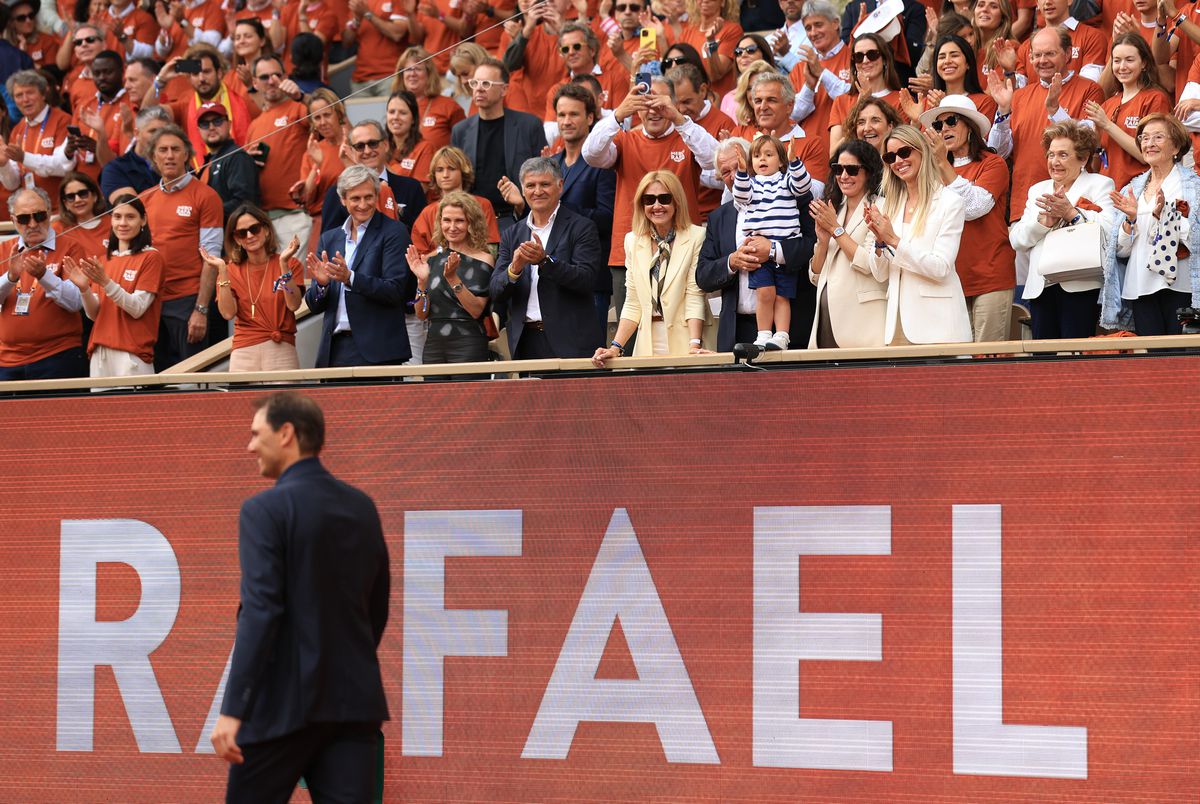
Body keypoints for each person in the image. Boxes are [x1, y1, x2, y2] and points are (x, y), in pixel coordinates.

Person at [211, 391, 390, 804]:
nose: (250, 446)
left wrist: (234, 709)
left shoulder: (264, 510)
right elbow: (376, 607)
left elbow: (260, 611)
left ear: (286, 434)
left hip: (280, 709)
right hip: (352, 705)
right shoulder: (362, 507)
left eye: (257, 434)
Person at [582, 74, 719, 327]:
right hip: (630, 250)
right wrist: (617, 114)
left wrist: (679, 119)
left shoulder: (687, 136)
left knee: (682, 329)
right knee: (631, 331)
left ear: (672, 103)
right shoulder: (625, 140)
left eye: (659, 102)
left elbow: (714, 159)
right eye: (645, 104)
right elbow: (591, 154)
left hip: (682, 249)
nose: (653, 110)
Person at [696, 137, 817, 350]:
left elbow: (812, 247)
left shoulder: (792, 198)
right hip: (737, 331)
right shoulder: (718, 218)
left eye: (738, 167)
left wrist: (773, 250)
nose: (734, 175)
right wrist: (732, 261)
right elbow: (703, 276)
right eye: (726, 172)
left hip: (789, 329)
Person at [920, 94, 1015, 342]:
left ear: (970, 127)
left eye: (951, 121)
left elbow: (974, 207)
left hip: (990, 276)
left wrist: (942, 162)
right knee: (959, 358)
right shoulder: (932, 171)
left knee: (987, 357)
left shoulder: (993, 163)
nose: (944, 129)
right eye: (938, 125)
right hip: (950, 278)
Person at [865, 125, 972, 345]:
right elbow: (880, 274)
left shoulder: (949, 202)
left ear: (922, 151)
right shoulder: (888, 206)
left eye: (904, 152)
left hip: (939, 326)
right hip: (896, 325)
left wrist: (894, 240)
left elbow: (940, 268)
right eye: (890, 157)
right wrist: (880, 242)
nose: (898, 161)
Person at [988, 26, 1106, 222]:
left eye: (1050, 53)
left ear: (1068, 54)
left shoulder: (1090, 89)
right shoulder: (1020, 95)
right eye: (1037, 55)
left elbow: (1088, 140)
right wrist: (1003, 111)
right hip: (1025, 204)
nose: (1042, 60)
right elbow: (998, 152)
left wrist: (1055, 110)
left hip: (1072, 204)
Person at [1010, 120, 1115, 339]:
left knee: (1075, 354)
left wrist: (1072, 213)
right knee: (1043, 355)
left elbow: (1110, 230)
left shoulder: (1100, 184)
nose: (1054, 162)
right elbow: (1017, 240)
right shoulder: (1037, 190)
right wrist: (1042, 223)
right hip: (1041, 286)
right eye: (1051, 155)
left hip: (1081, 284)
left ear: (1083, 158)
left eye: (1063, 155)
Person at [591, 170, 710, 364]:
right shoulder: (632, 241)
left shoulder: (697, 236)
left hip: (686, 340)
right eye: (649, 200)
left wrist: (694, 345)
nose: (657, 206)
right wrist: (615, 347)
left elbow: (694, 295)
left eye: (664, 198)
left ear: (677, 201)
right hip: (646, 344)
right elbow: (633, 302)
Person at [492, 157, 604, 358]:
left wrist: (545, 261)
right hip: (526, 341)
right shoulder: (511, 234)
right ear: (522, 190)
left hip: (571, 342)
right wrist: (514, 270)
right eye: (530, 185)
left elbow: (587, 279)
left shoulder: (582, 227)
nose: (537, 191)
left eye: (544, 184)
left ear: (560, 186)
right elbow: (495, 291)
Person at [305, 165, 413, 368]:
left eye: (368, 197)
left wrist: (350, 278)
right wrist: (322, 286)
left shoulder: (394, 232)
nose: (363, 204)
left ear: (377, 196)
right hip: (334, 350)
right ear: (343, 200)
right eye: (355, 198)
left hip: (378, 350)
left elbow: (395, 290)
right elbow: (314, 305)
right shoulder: (330, 238)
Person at [1103, 114, 1200, 335]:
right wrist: (1130, 220)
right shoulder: (1132, 188)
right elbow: (1121, 250)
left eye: (1158, 137)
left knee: (1180, 353)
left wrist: (1167, 217)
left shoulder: (1194, 186)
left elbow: (1196, 239)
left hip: (1181, 286)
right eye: (1144, 138)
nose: (1149, 144)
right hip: (1140, 285)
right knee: (1151, 353)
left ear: (1176, 146)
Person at [141, 124, 223, 369]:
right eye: (163, 150)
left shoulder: (206, 196)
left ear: (186, 154)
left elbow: (211, 257)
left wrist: (201, 309)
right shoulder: (145, 199)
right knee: (157, 378)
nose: (169, 156)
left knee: (192, 377)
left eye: (175, 149)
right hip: (151, 300)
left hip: (188, 301)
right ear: (153, 156)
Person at [64, 193, 164, 378]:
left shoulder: (151, 257)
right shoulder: (104, 260)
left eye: (130, 217)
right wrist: (84, 289)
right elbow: (94, 315)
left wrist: (106, 282)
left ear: (143, 220)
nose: (122, 223)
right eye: (117, 217)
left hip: (132, 353)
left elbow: (137, 308)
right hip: (99, 352)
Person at [732, 135, 812, 350]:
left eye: (769, 154)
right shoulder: (751, 184)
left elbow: (803, 186)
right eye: (757, 156)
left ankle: (782, 336)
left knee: (782, 296)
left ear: (781, 160)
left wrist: (795, 161)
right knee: (764, 293)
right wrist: (741, 171)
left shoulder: (786, 180)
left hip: (783, 250)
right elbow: (740, 196)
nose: (762, 159)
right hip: (759, 253)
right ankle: (763, 334)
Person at [0, 187, 89, 380]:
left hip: (58, 355)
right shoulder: (5, 249)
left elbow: (75, 302)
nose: (33, 224)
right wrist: (10, 277)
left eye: (39, 216)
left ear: (49, 214)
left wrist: (44, 276)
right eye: (24, 218)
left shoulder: (71, 247)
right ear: (13, 220)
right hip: (8, 358)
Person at [806, 138, 888, 348]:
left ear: (869, 172)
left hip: (863, 324)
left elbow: (870, 264)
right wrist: (823, 242)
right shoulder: (835, 209)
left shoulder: (881, 207)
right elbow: (815, 276)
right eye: (838, 169)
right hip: (825, 321)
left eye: (851, 170)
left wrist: (835, 229)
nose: (843, 176)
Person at [203, 204, 305, 370]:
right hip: (243, 350)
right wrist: (222, 270)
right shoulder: (230, 270)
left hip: (281, 348)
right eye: (242, 233)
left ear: (266, 230)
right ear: (237, 239)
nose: (249, 236)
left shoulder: (290, 263)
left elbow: (293, 304)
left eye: (254, 229)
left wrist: (283, 265)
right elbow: (228, 313)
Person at [450, 58, 548, 231]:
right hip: (472, 220)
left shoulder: (529, 125)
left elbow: (543, 175)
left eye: (486, 83)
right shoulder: (461, 130)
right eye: (475, 83)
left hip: (516, 218)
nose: (479, 88)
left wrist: (522, 206)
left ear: (504, 89)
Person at [549, 83, 616, 332]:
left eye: (573, 114)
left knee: (590, 349)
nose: (566, 121)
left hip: (590, 275)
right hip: (554, 275)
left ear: (590, 118)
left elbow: (607, 218)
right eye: (561, 114)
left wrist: (560, 207)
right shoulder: (551, 164)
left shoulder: (603, 162)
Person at [406, 191, 495, 365]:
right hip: (433, 345)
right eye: (447, 220)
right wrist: (422, 283)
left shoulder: (484, 259)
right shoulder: (431, 260)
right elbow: (421, 314)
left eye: (459, 220)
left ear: (471, 223)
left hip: (468, 343)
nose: (452, 227)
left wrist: (453, 279)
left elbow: (476, 310)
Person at [1085, 32, 1171, 196]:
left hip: (1139, 192)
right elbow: (1098, 161)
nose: (1122, 67)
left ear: (1144, 63)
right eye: (1117, 61)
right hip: (1107, 194)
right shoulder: (1108, 104)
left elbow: (1146, 155)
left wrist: (1107, 125)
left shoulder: (1155, 98)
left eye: (1129, 60)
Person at [244, 54, 312, 250]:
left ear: (285, 77)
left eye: (277, 75)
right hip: (263, 219)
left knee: (294, 271)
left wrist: (301, 96)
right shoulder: (254, 125)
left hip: (295, 214)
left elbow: (328, 114)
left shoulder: (299, 108)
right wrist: (247, 162)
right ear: (255, 83)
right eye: (264, 77)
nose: (272, 81)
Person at [319, 119, 426, 235]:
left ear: (385, 145)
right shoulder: (337, 193)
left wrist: (397, 211)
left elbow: (421, 234)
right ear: (352, 151)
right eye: (360, 146)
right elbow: (329, 239)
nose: (367, 151)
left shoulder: (411, 187)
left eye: (373, 144)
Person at [153, 43, 258, 158]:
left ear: (219, 73)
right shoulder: (185, 104)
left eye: (206, 72)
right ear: (189, 78)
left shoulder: (240, 96)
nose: (202, 78)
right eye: (195, 73)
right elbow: (148, 114)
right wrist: (160, 80)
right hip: (202, 169)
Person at [0, 69, 73, 211]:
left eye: (30, 93)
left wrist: (24, 157)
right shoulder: (18, 129)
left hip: (61, 210)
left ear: (43, 94)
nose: (25, 99)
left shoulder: (63, 120)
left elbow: (63, 166)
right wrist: (4, 166)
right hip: (31, 213)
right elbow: (13, 184)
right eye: (19, 95)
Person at [788, 0, 852, 158]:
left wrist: (822, 73)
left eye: (818, 25)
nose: (813, 33)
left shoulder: (856, 58)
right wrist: (809, 87)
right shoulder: (800, 68)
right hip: (807, 156)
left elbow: (854, 102)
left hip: (845, 154)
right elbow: (790, 114)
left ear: (835, 23)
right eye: (808, 28)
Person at [409, 145, 500, 254]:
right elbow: (419, 258)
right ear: (434, 175)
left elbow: (492, 249)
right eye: (439, 170)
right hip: (437, 265)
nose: (445, 175)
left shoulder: (482, 204)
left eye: (451, 169)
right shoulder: (427, 213)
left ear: (463, 171)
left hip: (477, 264)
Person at [1012, 0, 1108, 84]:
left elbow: (1089, 86)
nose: (1048, 2)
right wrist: (1008, 71)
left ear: (1070, 0)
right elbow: (1016, 91)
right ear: (1037, 3)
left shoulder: (1092, 37)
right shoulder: (1026, 46)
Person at [393, 46, 466, 152]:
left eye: (418, 69)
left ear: (429, 73)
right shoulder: (394, 108)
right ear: (401, 75)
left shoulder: (449, 106)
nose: (412, 74)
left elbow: (465, 146)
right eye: (408, 69)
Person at [196, 101, 260, 220]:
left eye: (217, 121)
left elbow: (245, 203)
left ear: (229, 124)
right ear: (198, 130)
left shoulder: (237, 157)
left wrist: (205, 213)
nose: (211, 127)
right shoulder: (209, 161)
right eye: (205, 124)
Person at [672, 0, 743, 97]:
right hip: (692, 101)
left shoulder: (732, 30)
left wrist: (710, 41)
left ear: (722, 2)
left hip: (720, 102)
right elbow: (677, 69)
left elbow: (716, 75)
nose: (705, 0)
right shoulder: (687, 32)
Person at [98, 103, 167, 202]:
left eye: (164, 132)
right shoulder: (115, 169)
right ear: (137, 134)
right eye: (153, 131)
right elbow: (129, 208)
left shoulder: (177, 164)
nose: (158, 136)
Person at [344, 0, 413, 96]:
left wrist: (367, 14)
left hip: (390, 75)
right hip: (360, 79)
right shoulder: (358, 2)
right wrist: (356, 20)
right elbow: (346, 42)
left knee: (394, 106)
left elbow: (397, 34)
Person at [386, 90, 434, 194]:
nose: (395, 117)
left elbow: (420, 191)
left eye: (402, 113)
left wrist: (383, 166)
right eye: (391, 112)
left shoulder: (425, 148)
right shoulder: (381, 147)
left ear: (413, 119)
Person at [56, 171, 111, 259]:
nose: (77, 200)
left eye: (83, 193)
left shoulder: (113, 223)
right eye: (71, 197)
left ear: (94, 196)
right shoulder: (58, 229)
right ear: (65, 203)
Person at [719, 34, 775, 118]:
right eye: (739, 52)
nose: (743, 55)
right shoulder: (728, 97)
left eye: (750, 50)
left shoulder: (779, 90)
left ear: (764, 55)